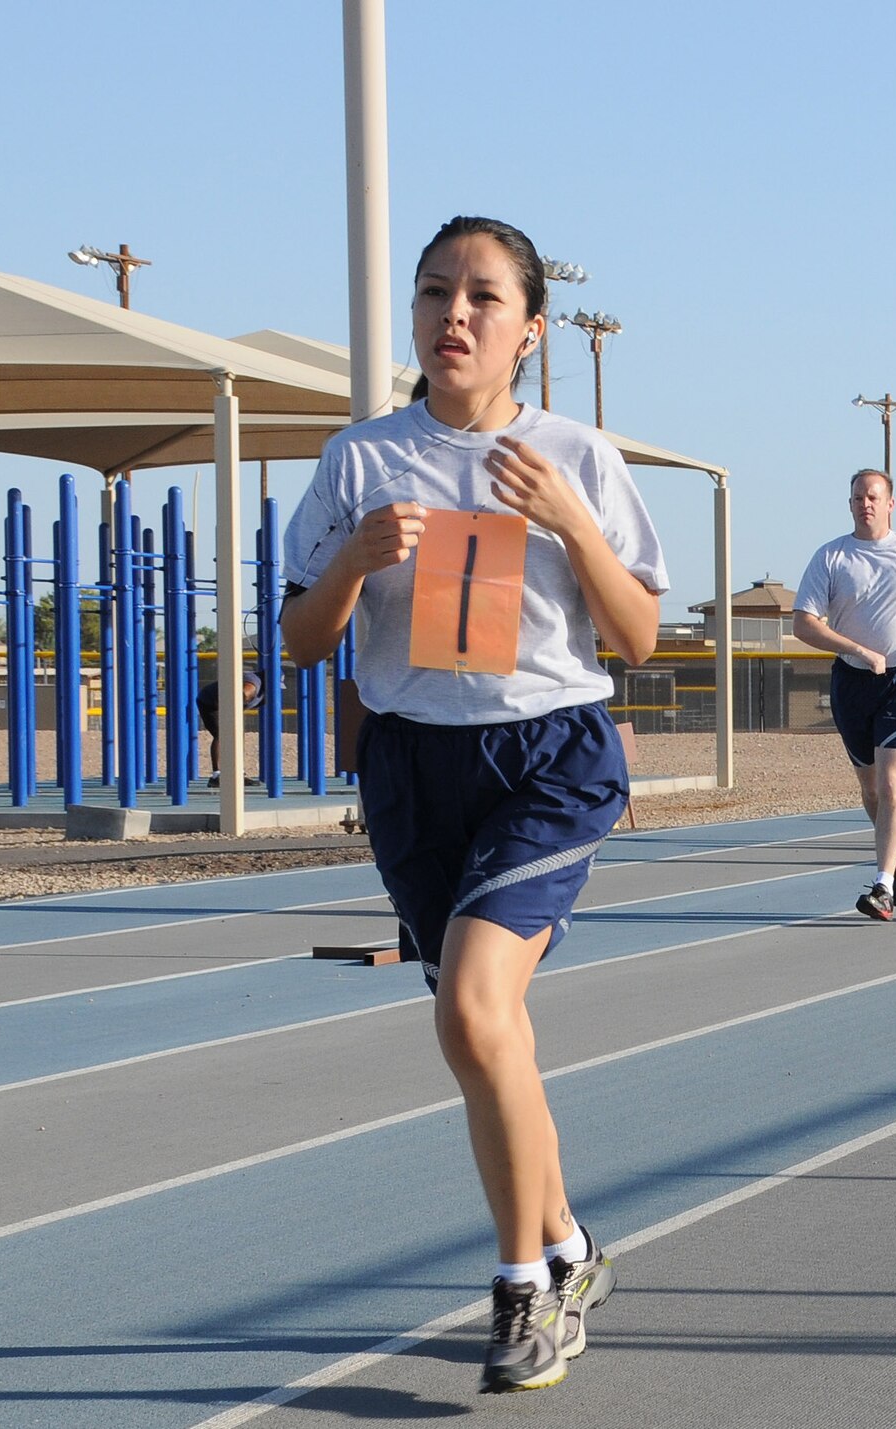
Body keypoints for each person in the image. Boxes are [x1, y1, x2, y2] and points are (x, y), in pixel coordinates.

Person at [280, 216, 660, 1392]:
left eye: (482, 297)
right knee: (486, 1030)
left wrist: (570, 521)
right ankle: (569, 1244)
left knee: (473, 1012)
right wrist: (351, 562)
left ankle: (521, 1295)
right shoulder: (361, 460)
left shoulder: (577, 455)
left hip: (546, 759)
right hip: (410, 765)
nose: (454, 313)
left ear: (528, 332)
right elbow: (300, 643)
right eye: (435, 291)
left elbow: (638, 637)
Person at [793, 470, 896, 920]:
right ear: (849, 504)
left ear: (890, 503)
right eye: (857, 498)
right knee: (870, 787)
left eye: (873, 497)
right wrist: (857, 649)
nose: (864, 504)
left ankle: (883, 884)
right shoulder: (831, 556)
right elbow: (803, 622)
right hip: (852, 679)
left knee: (892, 783)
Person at [196, 667, 264, 787]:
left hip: (227, 705)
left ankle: (238, 773)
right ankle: (217, 775)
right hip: (210, 702)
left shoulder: (264, 693)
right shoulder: (254, 683)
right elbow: (243, 693)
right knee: (222, 734)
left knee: (237, 735)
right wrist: (231, 712)